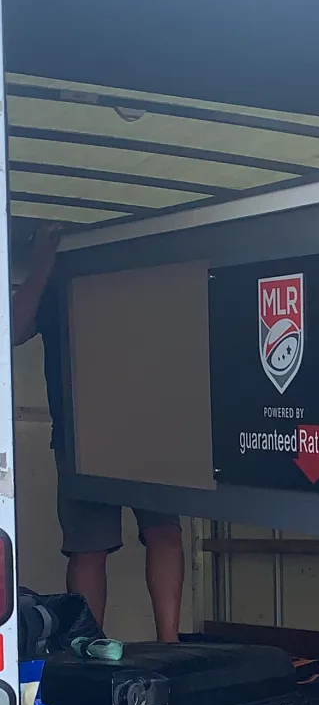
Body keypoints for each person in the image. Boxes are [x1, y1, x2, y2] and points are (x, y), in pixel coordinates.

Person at [10, 223, 185, 643]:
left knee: (164, 533)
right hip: (80, 435)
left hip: (151, 427)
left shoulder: (144, 278)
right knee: (88, 547)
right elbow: (10, 330)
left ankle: (171, 644)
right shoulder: (56, 279)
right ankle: (89, 648)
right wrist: (42, 262)